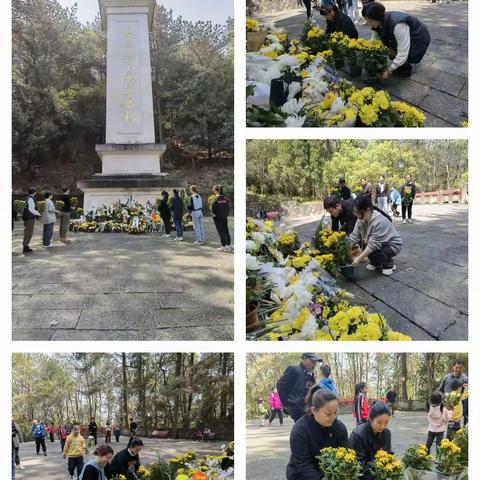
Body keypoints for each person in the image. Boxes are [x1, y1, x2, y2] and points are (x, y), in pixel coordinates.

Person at [286, 386, 348, 480]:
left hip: (331, 474)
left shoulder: (340, 428)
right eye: (328, 414)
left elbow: (345, 456)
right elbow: (304, 464)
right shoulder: (300, 430)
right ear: (314, 410)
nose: (333, 417)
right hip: (302, 475)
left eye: (335, 413)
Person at [362, 1, 430, 79]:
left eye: (370, 21)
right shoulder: (379, 22)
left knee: (402, 54)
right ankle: (399, 63)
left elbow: (403, 52)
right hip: (405, 36)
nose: (368, 23)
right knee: (387, 46)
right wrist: (370, 54)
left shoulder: (398, 25)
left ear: (378, 18)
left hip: (418, 39)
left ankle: (405, 67)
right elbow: (374, 40)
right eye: (366, 20)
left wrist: (389, 70)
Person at [349, 196, 403, 276]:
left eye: (359, 214)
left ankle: (389, 264)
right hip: (378, 243)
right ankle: (376, 263)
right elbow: (354, 236)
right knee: (368, 247)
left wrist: (359, 258)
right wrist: (347, 249)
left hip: (392, 245)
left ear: (367, 210)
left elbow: (373, 245)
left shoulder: (380, 221)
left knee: (373, 248)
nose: (358, 217)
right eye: (356, 214)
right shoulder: (360, 219)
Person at [349, 402, 392, 480]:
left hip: (378, 472)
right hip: (359, 473)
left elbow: (388, 454)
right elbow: (359, 463)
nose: (383, 426)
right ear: (371, 419)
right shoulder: (358, 434)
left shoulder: (386, 433)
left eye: (386, 422)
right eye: (379, 422)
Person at [277, 353, 321, 422]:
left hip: (308, 409)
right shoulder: (294, 370)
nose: (314, 364)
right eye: (312, 361)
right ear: (305, 359)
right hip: (297, 409)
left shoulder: (311, 375)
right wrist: (286, 405)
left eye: (315, 362)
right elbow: (280, 385)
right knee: (304, 429)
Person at [426, 391, 452, 456]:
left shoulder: (429, 408)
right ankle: (439, 458)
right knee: (439, 445)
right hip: (440, 431)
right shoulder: (443, 409)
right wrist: (450, 411)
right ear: (440, 401)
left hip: (431, 429)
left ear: (431, 401)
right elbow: (447, 419)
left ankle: (426, 456)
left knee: (428, 444)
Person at [211, 185, 232, 252]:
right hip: (224, 217)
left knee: (221, 232)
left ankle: (223, 246)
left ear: (216, 191)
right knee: (226, 231)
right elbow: (228, 208)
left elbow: (212, 209)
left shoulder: (215, 199)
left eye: (213, 190)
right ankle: (228, 246)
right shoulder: (225, 199)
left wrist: (213, 213)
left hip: (217, 218)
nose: (213, 191)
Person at [22, 187, 41, 254]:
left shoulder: (28, 198)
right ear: (34, 192)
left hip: (28, 217)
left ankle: (26, 246)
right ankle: (25, 247)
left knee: (27, 232)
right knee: (28, 232)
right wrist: (38, 213)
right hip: (29, 218)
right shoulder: (30, 199)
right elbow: (31, 209)